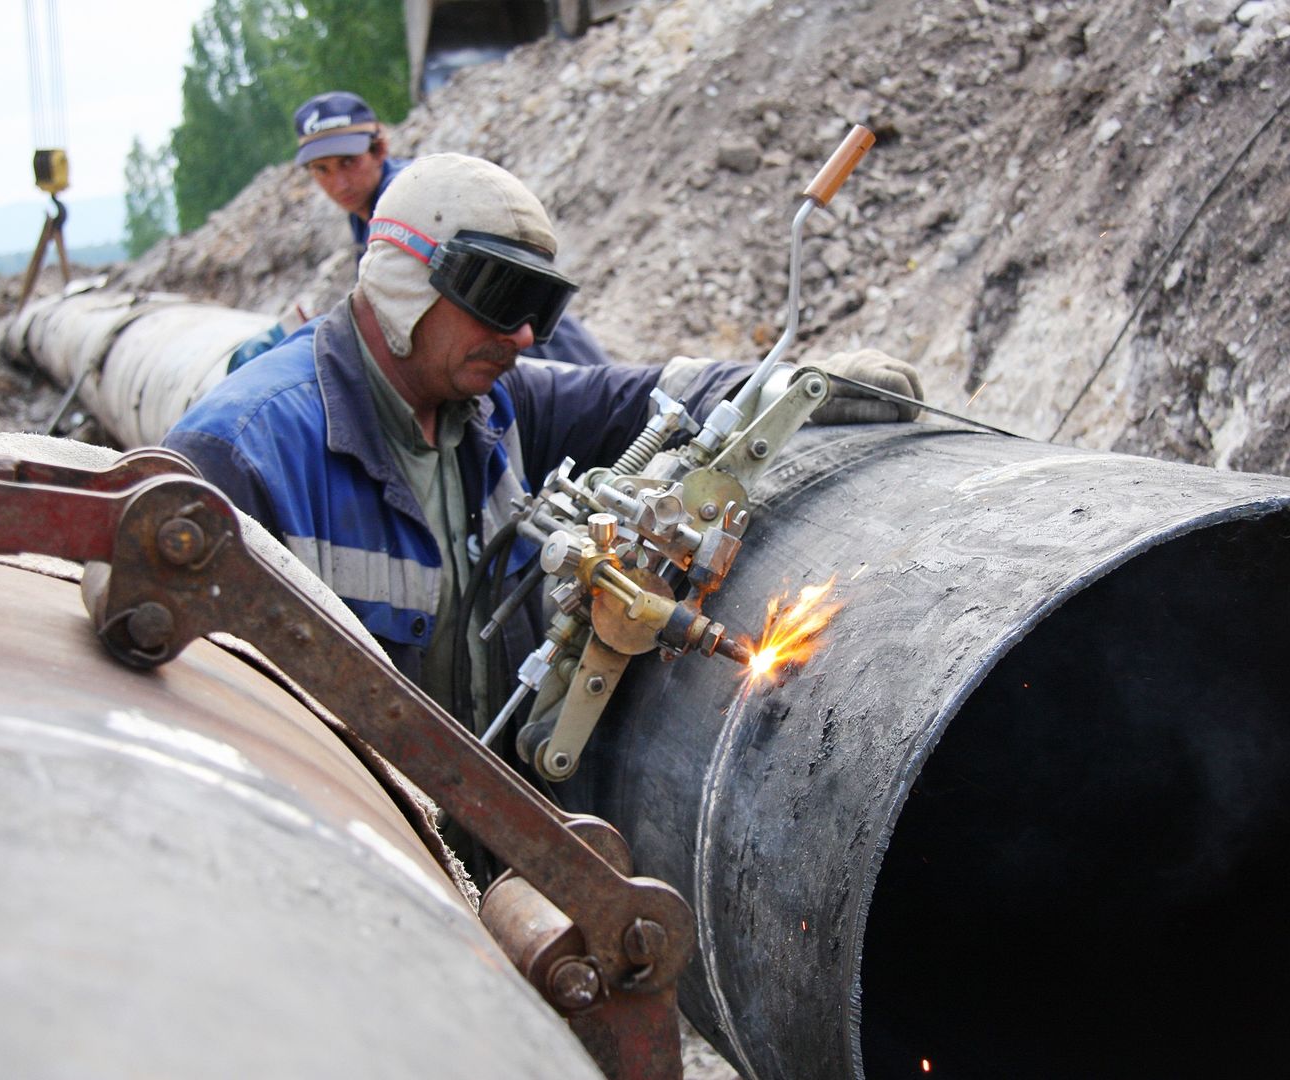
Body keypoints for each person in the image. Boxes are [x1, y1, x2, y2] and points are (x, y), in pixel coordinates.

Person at [164, 153, 922, 740]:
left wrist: (786, 389)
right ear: (405, 281)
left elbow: (646, 393)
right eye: (500, 299)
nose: (523, 336)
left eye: (538, 307)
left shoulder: (491, 406)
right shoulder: (242, 458)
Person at [292, 89, 611, 368]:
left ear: (380, 149)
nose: (340, 182)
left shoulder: (408, 206)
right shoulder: (366, 210)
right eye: (322, 170)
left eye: (348, 162)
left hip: (522, 334)